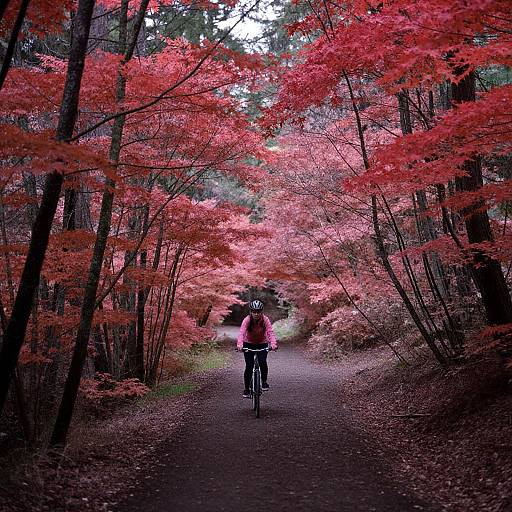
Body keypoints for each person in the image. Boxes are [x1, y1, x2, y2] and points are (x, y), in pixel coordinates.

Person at [236, 299, 278, 398]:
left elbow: (270, 332)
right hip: (248, 344)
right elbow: (242, 332)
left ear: (261, 311)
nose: (256, 313)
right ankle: (246, 389)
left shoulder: (265, 319)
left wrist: (273, 344)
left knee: (263, 362)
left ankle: (264, 382)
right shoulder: (247, 319)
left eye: (258, 311)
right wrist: (240, 344)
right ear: (251, 311)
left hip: (262, 343)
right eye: (254, 311)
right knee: (249, 366)